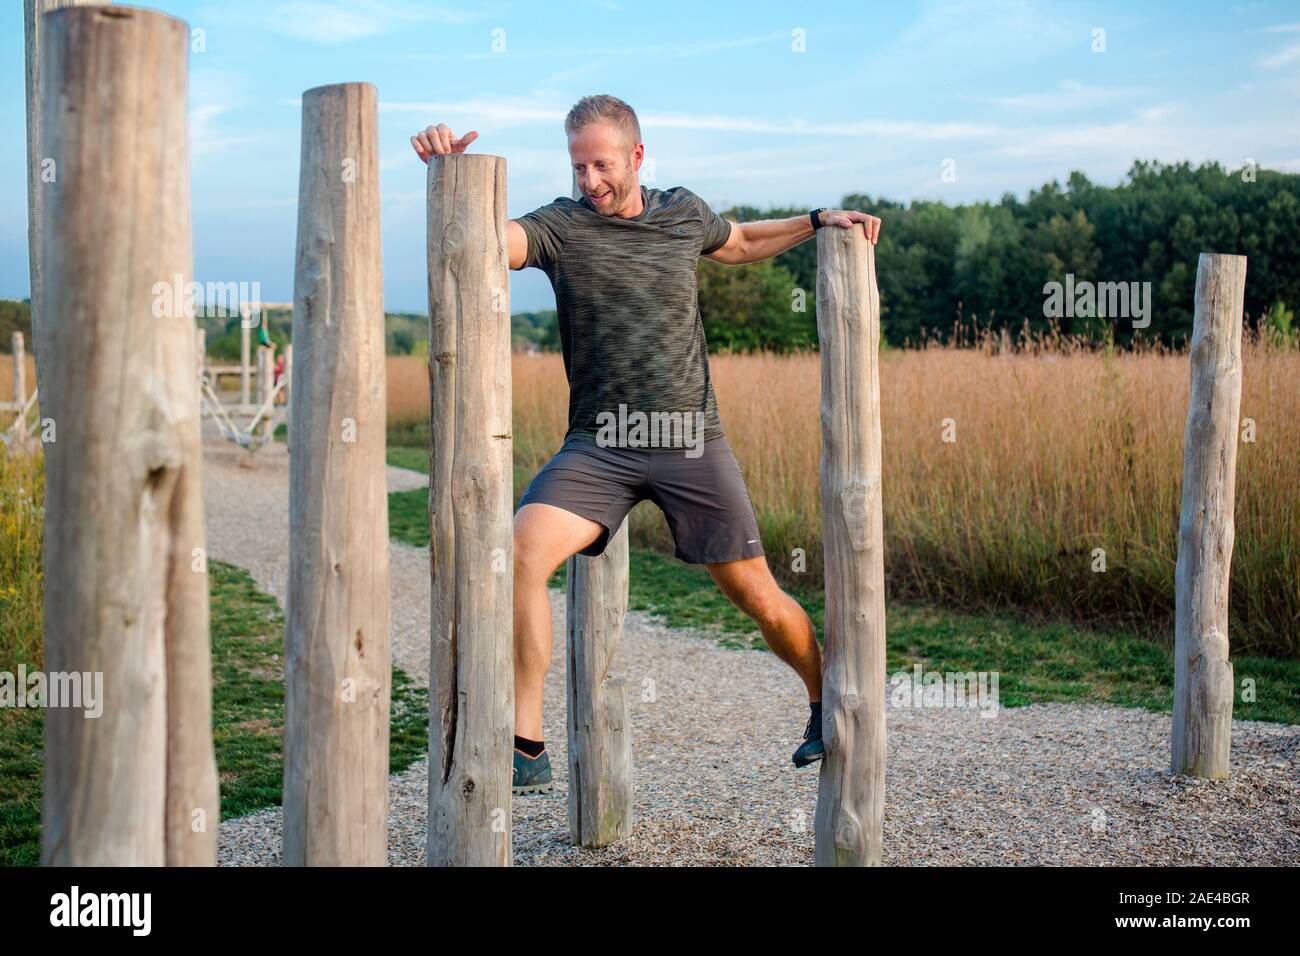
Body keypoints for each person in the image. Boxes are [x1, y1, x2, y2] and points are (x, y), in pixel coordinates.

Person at [411, 94, 881, 797]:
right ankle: (527, 743)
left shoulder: (681, 213)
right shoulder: (563, 226)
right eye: (578, 166)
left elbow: (742, 242)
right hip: (597, 447)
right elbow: (492, 242)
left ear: (637, 156)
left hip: (689, 440)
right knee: (516, 555)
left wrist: (816, 221)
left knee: (755, 594)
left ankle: (821, 700)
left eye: (602, 163)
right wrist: (451, 177)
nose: (590, 180)